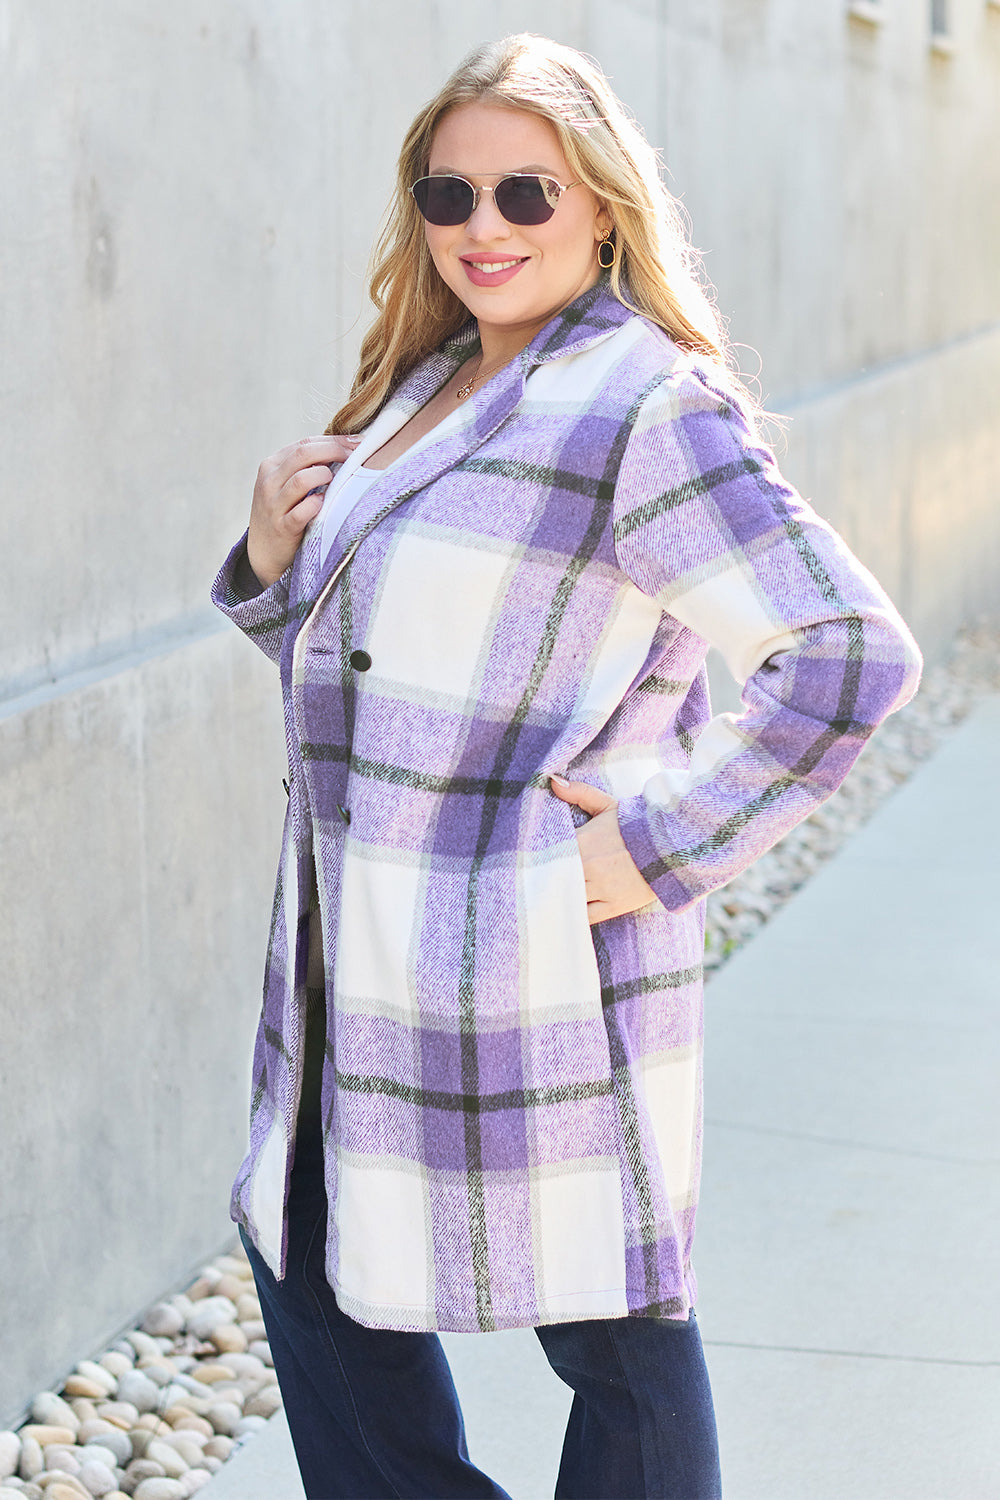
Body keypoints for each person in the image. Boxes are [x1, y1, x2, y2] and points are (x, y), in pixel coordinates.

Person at [212, 32, 922, 1500]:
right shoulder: (425, 389)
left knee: (614, 1332)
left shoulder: (647, 407)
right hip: (357, 946)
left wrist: (649, 849)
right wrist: (280, 565)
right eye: (448, 195)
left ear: (600, 205)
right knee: (306, 1252)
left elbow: (848, 657)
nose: (484, 230)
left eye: (525, 196)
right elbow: (389, 669)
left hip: (532, 952)